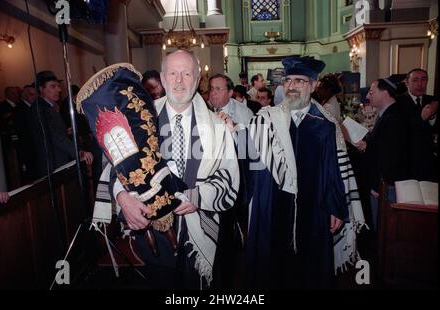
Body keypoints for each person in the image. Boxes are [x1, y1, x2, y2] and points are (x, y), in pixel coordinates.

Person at [111, 50, 240, 289]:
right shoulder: (139, 118)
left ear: (198, 77)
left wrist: (197, 196)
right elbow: (117, 166)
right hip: (154, 236)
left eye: (187, 73)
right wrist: (123, 199)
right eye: (173, 73)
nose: (179, 80)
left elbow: (228, 176)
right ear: (162, 76)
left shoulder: (217, 126)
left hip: (201, 228)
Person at [245, 56, 351, 289]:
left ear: (313, 85)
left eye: (300, 81)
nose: (292, 86)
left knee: (308, 266)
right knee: (272, 264)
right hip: (273, 202)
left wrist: (335, 206)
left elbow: (333, 169)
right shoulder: (267, 120)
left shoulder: (324, 124)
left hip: (313, 205)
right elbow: (251, 163)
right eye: (288, 80)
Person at [356, 78, 411, 229]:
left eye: (372, 92)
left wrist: (376, 186)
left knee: (385, 229)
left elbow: (390, 157)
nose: (368, 95)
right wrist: (368, 145)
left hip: (387, 184)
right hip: (385, 182)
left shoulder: (394, 118)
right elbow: (383, 146)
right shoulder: (388, 113)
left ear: (385, 93)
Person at [29, 71, 93, 177]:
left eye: (58, 86)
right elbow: (55, 137)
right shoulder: (40, 109)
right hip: (52, 165)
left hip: (60, 161)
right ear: (41, 89)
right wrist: (79, 153)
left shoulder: (49, 107)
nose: (59, 90)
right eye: (53, 86)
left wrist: (66, 131)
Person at [398, 68, 438, 181]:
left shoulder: (433, 101)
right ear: (407, 83)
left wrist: (432, 116)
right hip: (407, 161)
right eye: (415, 80)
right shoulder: (397, 102)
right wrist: (422, 118)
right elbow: (402, 129)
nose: (420, 84)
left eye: (423, 79)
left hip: (429, 160)